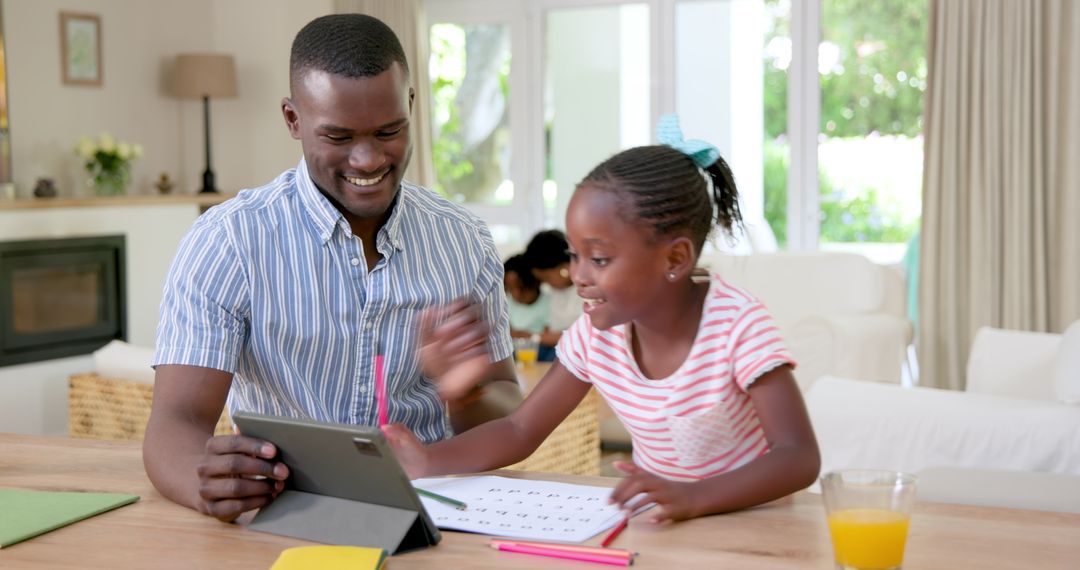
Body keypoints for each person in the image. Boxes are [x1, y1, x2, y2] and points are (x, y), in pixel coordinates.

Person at [143, 13, 521, 523]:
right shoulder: (229, 242)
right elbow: (177, 422)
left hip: (438, 513)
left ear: (412, 106)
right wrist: (199, 480)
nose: (367, 160)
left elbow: (505, 417)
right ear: (293, 119)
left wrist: (468, 389)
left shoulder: (464, 241)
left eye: (389, 131)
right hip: (285, 512)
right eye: (339, 137)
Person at [384, 116, 820, 522]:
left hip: (754, 525)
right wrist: (429, 459)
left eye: (599, 258)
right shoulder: (597, 338)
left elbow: (798, 456)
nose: (578, 276)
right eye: (575, 256)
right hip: (665, 522)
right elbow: (520, 428)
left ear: (675, 257)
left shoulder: (737, 327)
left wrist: (693, 496)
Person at [522, 229, 581, 361]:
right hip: (553, 344)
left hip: (574, 348)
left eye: (547, 278)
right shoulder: (552, 291)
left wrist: (536, 337)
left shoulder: (585, 290)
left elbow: (582, 335)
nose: (546, 284)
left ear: (564, 268)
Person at [503, 254, 549, 340]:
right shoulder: (506, 304)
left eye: (521, 287)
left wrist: (527, 336)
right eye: (510, 289)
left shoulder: (549, 303)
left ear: (535, 283)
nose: (516, 294)